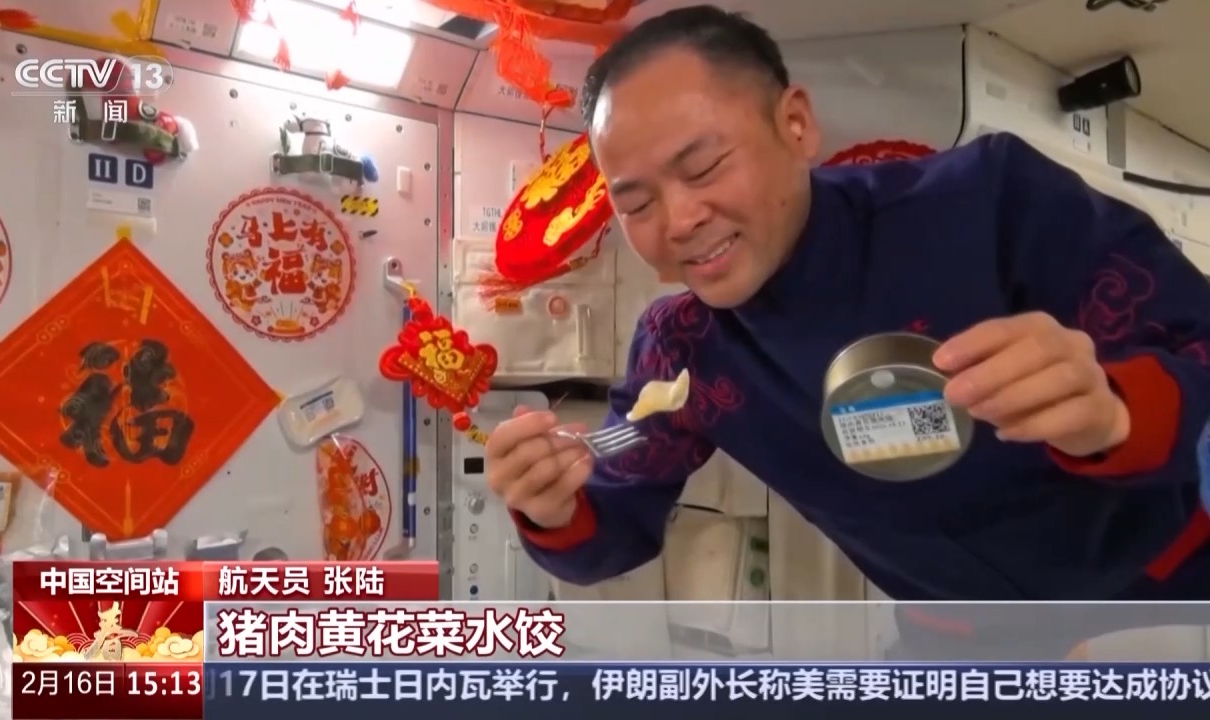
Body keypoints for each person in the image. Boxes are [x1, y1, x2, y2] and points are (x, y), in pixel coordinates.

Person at [484, 5, 1210, 657]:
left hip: (1172, 589)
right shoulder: (684, 350)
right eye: (637, 205)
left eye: (702, 167)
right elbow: (613, 522)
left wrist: (1116, 412)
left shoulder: (984, 203)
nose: (678, 222)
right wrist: (552, 505)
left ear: (796, 124)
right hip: (967, 642)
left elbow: (1196, 346)